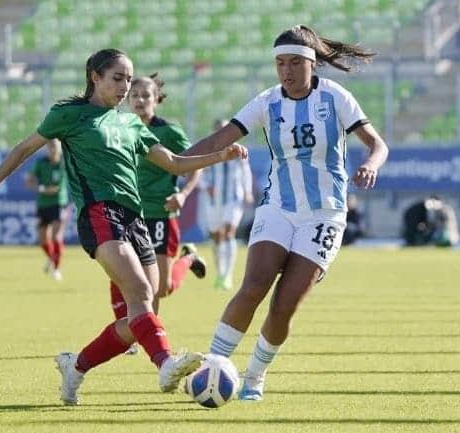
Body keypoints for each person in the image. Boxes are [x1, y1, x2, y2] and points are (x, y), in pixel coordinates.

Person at [0, 48, 248, 405]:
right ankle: (165, 362)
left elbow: (174, 163)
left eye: (129, 78)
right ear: (94, 77)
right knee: (142, 295)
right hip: (98, 215)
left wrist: (221, 155)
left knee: (139, 315)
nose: (125, 86)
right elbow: (25, 147)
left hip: (136, 219)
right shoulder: (68, 115)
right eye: (118, 77)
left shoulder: (130, 123)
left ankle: (75, 366)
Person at [184, 25, 389, 401]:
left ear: (312, 64)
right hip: (279, 205)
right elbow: (219, 139)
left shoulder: (335, 97)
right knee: (254, 285)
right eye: (280, 63)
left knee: (284, 305)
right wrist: (177, 162)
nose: (287, 71)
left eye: (295, 62)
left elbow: (377, 144)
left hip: (325, 215)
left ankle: (255, 377)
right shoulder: (266, 102)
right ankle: (211, 366)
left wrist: (372, 163)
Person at [110, 73, 207, 355]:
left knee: (161, 289)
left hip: (160, 214)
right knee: (121, 271)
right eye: (135, 96)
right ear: (127, 99)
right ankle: (138, 332)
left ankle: (188, 258)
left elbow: (192, 163)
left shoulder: (168, 132)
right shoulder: (119, 128)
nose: (140, 100)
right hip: (127, 213)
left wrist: (183, 194)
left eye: (146, 96)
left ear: (156, 100)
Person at [202, 119, 254, 290]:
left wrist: (247, 192)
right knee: (216, 235)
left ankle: (227, 276)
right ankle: (220, 273)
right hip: (214, 200)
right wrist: (206, 186)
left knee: (228, 232)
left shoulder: (238, 150)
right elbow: (200, 171)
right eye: (218, 130)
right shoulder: (209, 149)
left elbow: (246, 172)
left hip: (233, 197)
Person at [24, 139, 69, 280]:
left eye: (55, 147)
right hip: (43, 204)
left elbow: (56, 188)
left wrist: (44, 188)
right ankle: (51, 258)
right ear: (47, 148)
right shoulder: (41, 163)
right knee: (43, 239)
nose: (53, 149)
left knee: (56, 236)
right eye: (50, 147)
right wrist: (40, 187)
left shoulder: (63, 163)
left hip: (59, 203)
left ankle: (57, 269)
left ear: (60, 148)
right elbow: (29, 180)